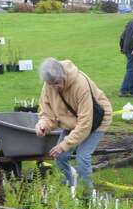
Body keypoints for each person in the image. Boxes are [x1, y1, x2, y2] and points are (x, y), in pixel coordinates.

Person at [34, 57, 111, 190]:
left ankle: (86, 196)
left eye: (57, 83)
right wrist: (43, 125)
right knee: (60, 156)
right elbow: (46, 113)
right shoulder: (49, 85)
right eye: (50, 84)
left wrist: (64, 144)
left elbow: (85, 124)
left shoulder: (80, 85)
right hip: (72, 121)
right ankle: (69, 187)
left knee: (82, 157)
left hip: (97, 120)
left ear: (63, 75)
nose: (54, 87)